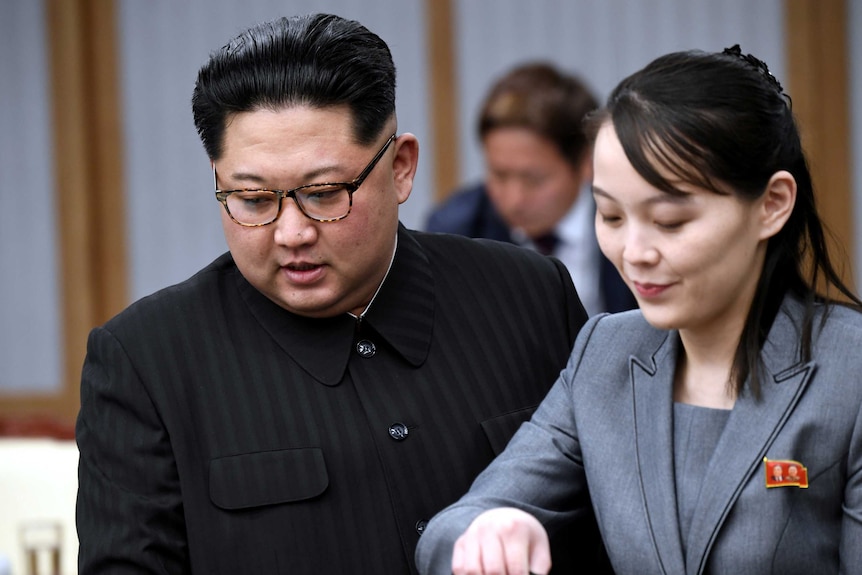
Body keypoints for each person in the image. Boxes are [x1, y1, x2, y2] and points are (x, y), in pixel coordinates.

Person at [74, 13, 609, 575]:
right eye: (253, 200)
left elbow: (614, 526)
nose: (292, 232)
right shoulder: (146, 360)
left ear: (400, 168)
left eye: (325, 193)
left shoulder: (528, 296)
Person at [416, 45, 862, 574]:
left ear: (772, 204)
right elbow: (453, 528)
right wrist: (487, 530)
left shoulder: (848, 371)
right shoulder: (606, 353)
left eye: (670, 221)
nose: (635, 252)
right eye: (610, 215)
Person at [425, 62, 636, 315]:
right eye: (499, 175)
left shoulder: (634, 222)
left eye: (534, 180)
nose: (514, 200)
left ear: (585, 163)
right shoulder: (456, 233)